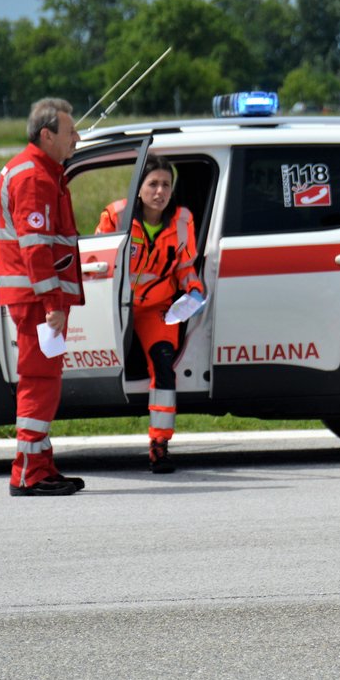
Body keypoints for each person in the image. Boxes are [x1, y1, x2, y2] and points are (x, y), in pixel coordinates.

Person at [0, 97, 82, 496]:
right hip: (37, 301)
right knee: (39, 381)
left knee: (45, 381)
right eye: (70, 132)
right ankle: (28, 472)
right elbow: (35, 249)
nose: (77, 138)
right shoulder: (34, 176)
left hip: (37, 299)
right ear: (46, 135)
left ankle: (42, 465)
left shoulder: (41, 170)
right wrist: (52, 306)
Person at [97, 155, 204, 473]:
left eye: (166, 185)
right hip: (117, 307)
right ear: (139, 189)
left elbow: (185, 265)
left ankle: (160, 445)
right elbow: (100, 263)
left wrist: (194, 290)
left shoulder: (182, 220)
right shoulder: (116, 217)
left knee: (163, 366)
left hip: (157, 309)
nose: (160, 191)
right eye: (153, 184)